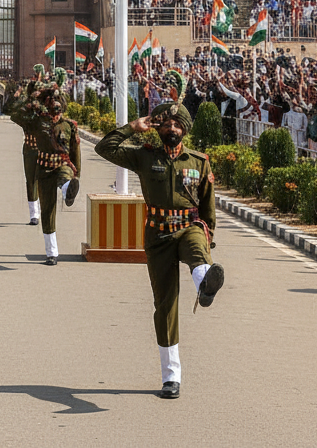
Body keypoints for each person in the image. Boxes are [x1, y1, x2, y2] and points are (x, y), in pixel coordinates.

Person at [94, 83, 222, 400]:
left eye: (178, 124)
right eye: (167, 123)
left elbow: (208, 205)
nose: (173, 128)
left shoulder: (198, 161)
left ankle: (205, 281)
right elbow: (104, 148)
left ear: (185, 130)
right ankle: (171, 376)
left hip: (189, 225)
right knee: (165, 305)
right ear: (159, 128)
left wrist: (209, 235)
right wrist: (132, 127)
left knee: (197, 251)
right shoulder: (143, 156)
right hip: (158, 233)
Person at [15, 78, 80, 264]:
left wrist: (78, 174)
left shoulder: (69, 126)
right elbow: (16, 115)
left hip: (62, 165)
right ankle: (52, 253)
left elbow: (75, 152)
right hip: (43, 168)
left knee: (66, 176)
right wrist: (27, 100)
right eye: (52, 104)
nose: (56, 108)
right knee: (48, 211)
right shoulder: (36, 123)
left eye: (58, 104)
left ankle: (69, 189)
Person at [9, 78, 43, 226]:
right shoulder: (26, 112)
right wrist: (17, 96)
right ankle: (34, 214)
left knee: (47, 180)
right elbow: (11, 113)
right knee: (31, 181)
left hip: (46, 149)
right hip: (30, 149)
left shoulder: (48, 109)